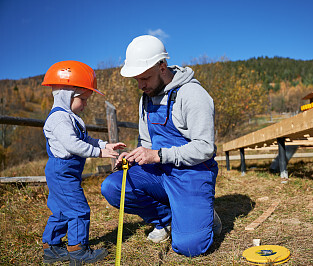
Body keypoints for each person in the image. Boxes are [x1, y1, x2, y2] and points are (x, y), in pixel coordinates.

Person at [101, 35, 221, 257]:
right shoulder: (146, 97)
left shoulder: (193, 95)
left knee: (190, 247)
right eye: (136, 80)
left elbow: (205, 148)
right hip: (160, 170)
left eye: (145, 78)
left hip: (191, 173)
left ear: (162, 66)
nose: (141, 85)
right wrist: (134, 156)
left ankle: (203, 214)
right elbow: (147, 143)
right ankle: (165, 218)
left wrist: (159, 155)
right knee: (112, 187)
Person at [41, 60, 126, 264]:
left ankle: (51, 247)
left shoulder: (69, 117)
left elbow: (85, 139)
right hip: (62, 172)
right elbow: (73, 145)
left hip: (63, 172)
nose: (85, 105)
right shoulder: (60, 119)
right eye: (84, 99)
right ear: (68, 93)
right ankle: (78, 251)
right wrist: (99, 153)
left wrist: (105, 145)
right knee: (79, 210)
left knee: (61, 210)